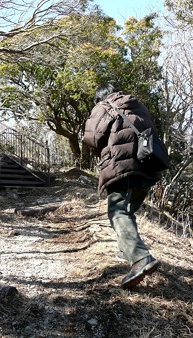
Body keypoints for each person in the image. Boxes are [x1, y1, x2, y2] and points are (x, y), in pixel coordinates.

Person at [83, 84, 161, 289]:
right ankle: (126, 250)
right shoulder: (137, 105)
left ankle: (140, 259)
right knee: (128, 211)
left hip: (122, 166)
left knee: (117, 211)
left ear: (99, 98)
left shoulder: (104, 106)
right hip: (147, 165)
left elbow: (92, 138)